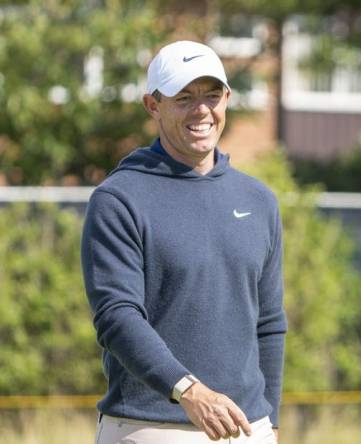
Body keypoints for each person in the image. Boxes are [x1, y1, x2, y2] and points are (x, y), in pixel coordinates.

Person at [81, 40, 286, 444]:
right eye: (184, 97)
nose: (202, 110)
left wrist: (270, 422)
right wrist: (188, 390)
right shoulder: (119, 198)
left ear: (227, 98)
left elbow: (269, 323)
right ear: (152, 105)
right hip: (149, 426)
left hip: (248, 428)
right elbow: (117, 316)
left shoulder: (259, 200)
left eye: (212, 95)